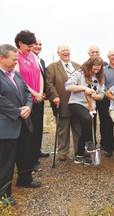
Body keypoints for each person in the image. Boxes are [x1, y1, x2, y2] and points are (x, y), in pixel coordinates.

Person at [0, 44, 42, 206]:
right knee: (6, 161)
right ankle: (4, 194)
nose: (16, 62)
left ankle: (25, 179)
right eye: (13, 59)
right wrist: (18, 111)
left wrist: (28, 107)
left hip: (24, 120)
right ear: (2, 58)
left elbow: (26, 91)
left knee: (25, 153)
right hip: (8, 124)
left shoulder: (16, 74)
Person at [14, 31, 46, 173]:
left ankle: (34, 160)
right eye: (29, 45)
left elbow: (39, 75)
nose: (31, 48)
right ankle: (26, 164)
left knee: (37, 130)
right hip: (26, 101)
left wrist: (39, 92)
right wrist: (34, 93)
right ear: (20, 43)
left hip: (37, 99)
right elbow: (19, 80)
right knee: (28, 133)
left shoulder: (32, 56)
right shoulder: (16, 57)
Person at [65, 56, 105, 165]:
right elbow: (68, 87)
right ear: (89, 65)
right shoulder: (79, 73)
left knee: (85, 128)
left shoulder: (99, 76)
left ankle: (79, 156)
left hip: (91, 106)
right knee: (87, 119)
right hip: (76, 103)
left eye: (98, 69)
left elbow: (102, 94)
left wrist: (97, 96)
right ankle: (89, 142)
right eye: (94, 69)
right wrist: (84, 88)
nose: (96, 71)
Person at [46, 44, 81, 161]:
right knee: (63, 128)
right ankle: (63, 151)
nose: (66, 52)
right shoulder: (52, 67)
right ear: (58, 53)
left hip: (77, 102)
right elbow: (49, 84)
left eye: (67, 50)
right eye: (63, 50)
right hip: (61, 101)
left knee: (78, 127)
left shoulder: (77, 66)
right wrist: (54, 96)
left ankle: (79, 150)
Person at [31, 37, 50, 170]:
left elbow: (43, 78)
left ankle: (37, 150)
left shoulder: (41, 61)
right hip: (31, 98)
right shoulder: (28, 60)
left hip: (40, 97)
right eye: (36, 44)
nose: (38, 46)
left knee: (39, 127)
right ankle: (31, 156)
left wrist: (43, 93)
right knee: (32, 128)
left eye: (40, 44)